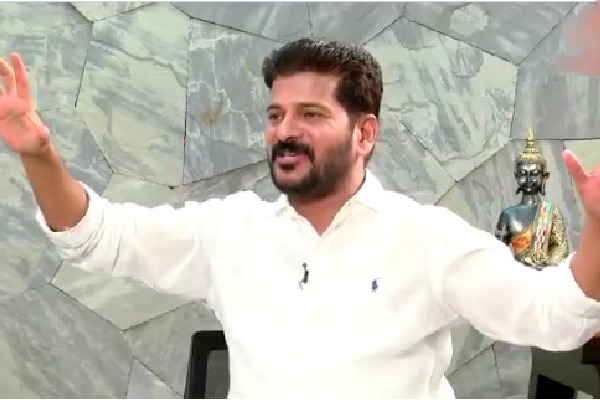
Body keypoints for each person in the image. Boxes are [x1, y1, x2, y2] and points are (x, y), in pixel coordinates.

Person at [1, 38, 600, 399]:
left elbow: (556, 319)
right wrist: (38, 153)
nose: (284, 131)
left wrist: (597, 224)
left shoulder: (427, 239)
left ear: (365, 133)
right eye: (275, 115)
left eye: (310, 114)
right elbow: (95, 237)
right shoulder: (231, 231)